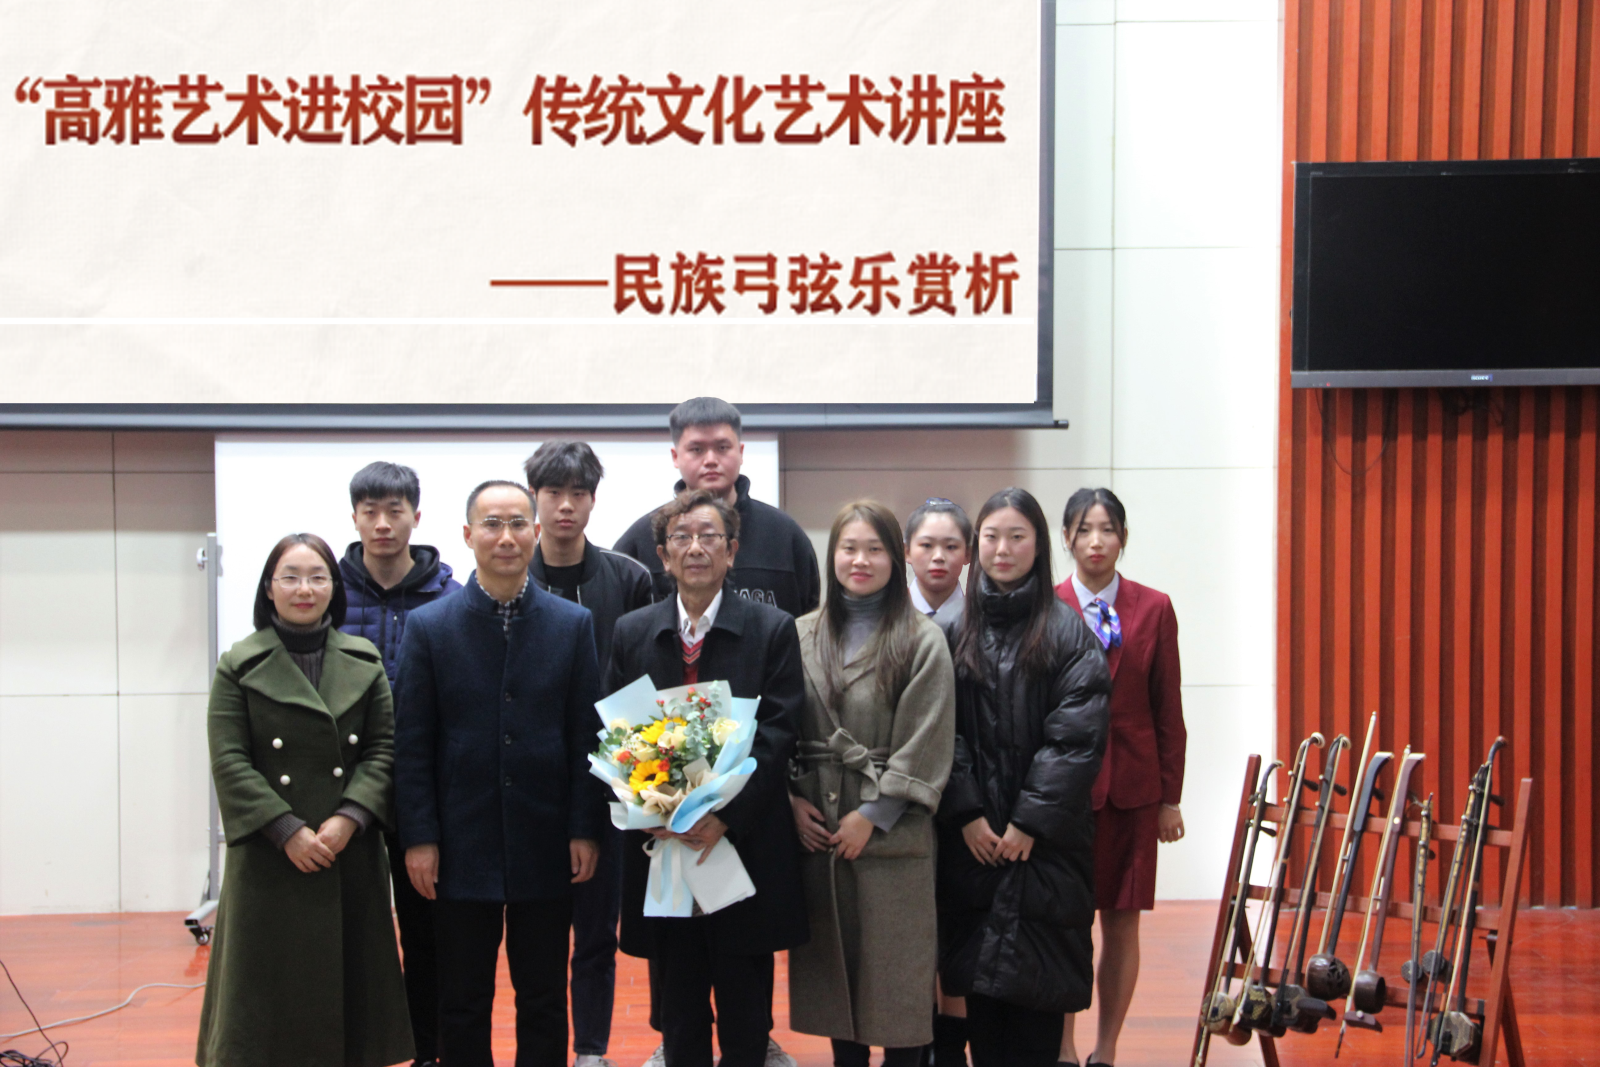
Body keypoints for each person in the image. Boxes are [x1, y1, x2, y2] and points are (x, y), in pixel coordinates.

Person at [393, 480, 607, 1067]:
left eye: (517, 523)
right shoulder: (430, 627)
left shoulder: (571, 624)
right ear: (468, 535)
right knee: (462, 999)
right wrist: (419, 837)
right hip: (460, 842)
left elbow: (586, 737)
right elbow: (412, 744)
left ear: (536, 533)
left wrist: (584, 828)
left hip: (546, 839)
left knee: (544, 996)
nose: (505, 536)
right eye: (491, 524)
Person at [606, 489, 809, 1067]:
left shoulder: (772, 629)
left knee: (746, 1016)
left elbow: (778, 733)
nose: (695, 548)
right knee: (680, 1013)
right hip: (665, 848)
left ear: (731, 550)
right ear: (663, 556)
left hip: (742, 845)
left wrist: (725, 817)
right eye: (681, 537)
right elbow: (617, 733)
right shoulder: (632, 632)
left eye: (709, 536)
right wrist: (653, 807)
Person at [197, 533, 412, 1067]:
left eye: (317, 577)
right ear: (269, 588)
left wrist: (350, 816)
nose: (304, 589)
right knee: (265, 1007)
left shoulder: (363, 659)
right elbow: (229, 761)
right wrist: (286, 829)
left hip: (347, 852)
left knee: (351, 1008)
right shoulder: (238, 665)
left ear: (333, 588)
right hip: (269, 858)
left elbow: (384, 749)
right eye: (290, 577)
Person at [935, 488, 1110, 1067]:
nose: (1003, 549)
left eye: (1017, 537)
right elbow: (939, 731)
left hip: (1046, 850)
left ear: (1039, 545)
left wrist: (1029, 822)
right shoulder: (951, 630)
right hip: (974, 846)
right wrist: (966, 813)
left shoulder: (1067, 632)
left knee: (1037, 1009)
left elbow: (1076, 740)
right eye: (991, 537)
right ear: (976, 545)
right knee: (983, 1014)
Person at [788, 500, 956, 1067]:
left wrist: (874, 813)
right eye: (849, 548)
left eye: (874, 549)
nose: (860, 561)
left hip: (893, 834)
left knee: (898, 990)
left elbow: (927, 740)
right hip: (820, 830)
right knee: (838, 988)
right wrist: (790, 800)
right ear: (831, 555)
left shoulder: (922, 639)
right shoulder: (800, 634)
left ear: (895, 558)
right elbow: (778, 726)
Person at [524, 440, 654, 1067]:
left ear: (594, 501)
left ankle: (593, 1052)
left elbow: (646, 685)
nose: (565, 506)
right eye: (553, 493)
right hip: (532, 785)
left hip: (610, 786)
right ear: (536, 498)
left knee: (598, 932)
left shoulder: (629, 579)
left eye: (578, 493)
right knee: (539, 935)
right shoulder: (511, 575)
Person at [1054, 488, 1186, 1067]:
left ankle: (1106, 1050)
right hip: (1065, 792)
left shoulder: (1153, 607)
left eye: (1107, 529)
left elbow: (1167, 708)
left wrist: (1170, 798)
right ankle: (1062, 1047)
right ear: (1066, 538)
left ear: (1123, 538)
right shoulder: (1048, 605)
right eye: (1084, 530)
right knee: (1065, 923)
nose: (1096, 541)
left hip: (1133, 788)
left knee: (1122, 922)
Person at [338, 461, 461, 1067]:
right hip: (344, 789)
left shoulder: (450, 596)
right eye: (371, 511)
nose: (383, 523)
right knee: (351, 930)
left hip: (424, 790)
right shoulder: (329, 593)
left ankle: (427, 1051)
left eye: (395, 511)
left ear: (416, 515)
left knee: (426, 931)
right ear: (355, 518)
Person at [613, 396, 820, 617]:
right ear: (675, 456)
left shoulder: (785, 535)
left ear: (740, 452)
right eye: (697, 449)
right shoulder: (640, 540)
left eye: (722, 447)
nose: (711, 459)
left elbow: (808, 623)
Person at [905, 497, 972, 626]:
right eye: (927, 545)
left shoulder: (981, 616)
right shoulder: (886, 614)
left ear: (968, 554)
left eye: (951, 547)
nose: (938, 557)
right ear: (907, 551)